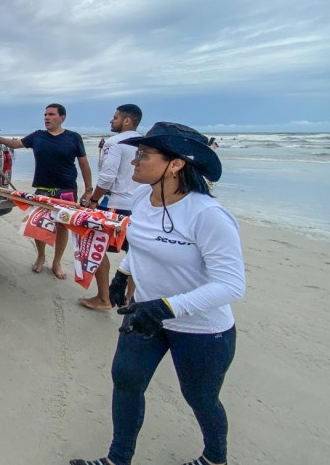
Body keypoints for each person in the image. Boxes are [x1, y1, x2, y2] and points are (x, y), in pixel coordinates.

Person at [70, 122, 246, 465]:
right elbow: (144, 244)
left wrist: (166, 307)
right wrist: (124, 272)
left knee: (201, 397)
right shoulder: (142, 197)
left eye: (144, 155)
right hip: (145, 316)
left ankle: (214, 458)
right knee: (126, 382)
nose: (134, 162)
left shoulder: (208, 215)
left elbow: (231, 285)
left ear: (176, 164)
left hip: (202, 329)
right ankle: (117, 459)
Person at [0, 103, 92, 279]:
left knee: (62, 227)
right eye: (45, 115)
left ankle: (57, 262)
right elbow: (15, 143)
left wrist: (89, 190)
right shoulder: (38, 136)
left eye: (51, 114)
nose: (46, 117)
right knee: (39, 224)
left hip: (66, 190)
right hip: (42, 189)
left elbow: (83, 163)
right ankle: (41, 256)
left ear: (62, 117)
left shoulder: (74, 137)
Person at [79, 104, 143, 311]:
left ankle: (104, 298)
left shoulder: (115, 142)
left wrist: (94, 199)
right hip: (142, 206)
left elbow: (107, 177)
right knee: (136, 253)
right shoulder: (144, 145)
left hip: (117, 205)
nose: (111, 121)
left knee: (96, 245)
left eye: (115, 117)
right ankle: (129, 300)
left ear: (127, 121)